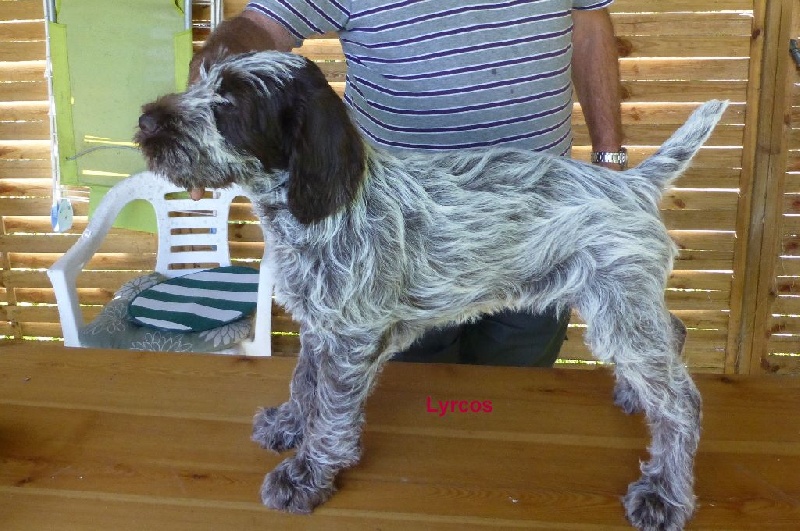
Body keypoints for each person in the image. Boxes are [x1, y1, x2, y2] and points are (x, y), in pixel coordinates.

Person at [190, 1, 625, 368]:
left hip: (538, 227)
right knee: (417, 406)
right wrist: (214, 75)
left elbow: (588, 24)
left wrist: (610, 158)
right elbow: (262, 26)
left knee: (512, 396)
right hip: (401, 242)